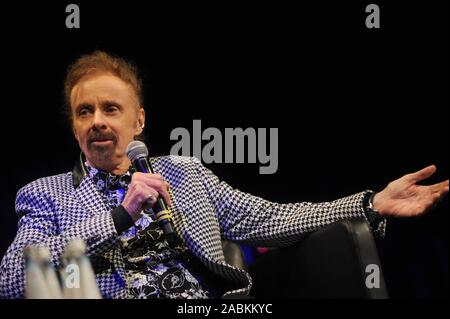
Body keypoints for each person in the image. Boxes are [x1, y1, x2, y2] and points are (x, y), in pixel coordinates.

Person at [0, 51, 448, 299]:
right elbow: (13, 278)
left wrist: (370, 203)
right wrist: (119, 216)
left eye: (110, 109)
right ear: (75, 127)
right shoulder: (45, 194)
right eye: (85, 111)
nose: (97, 120)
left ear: (138, 122)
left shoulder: (185, 172)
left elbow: (272, 219)